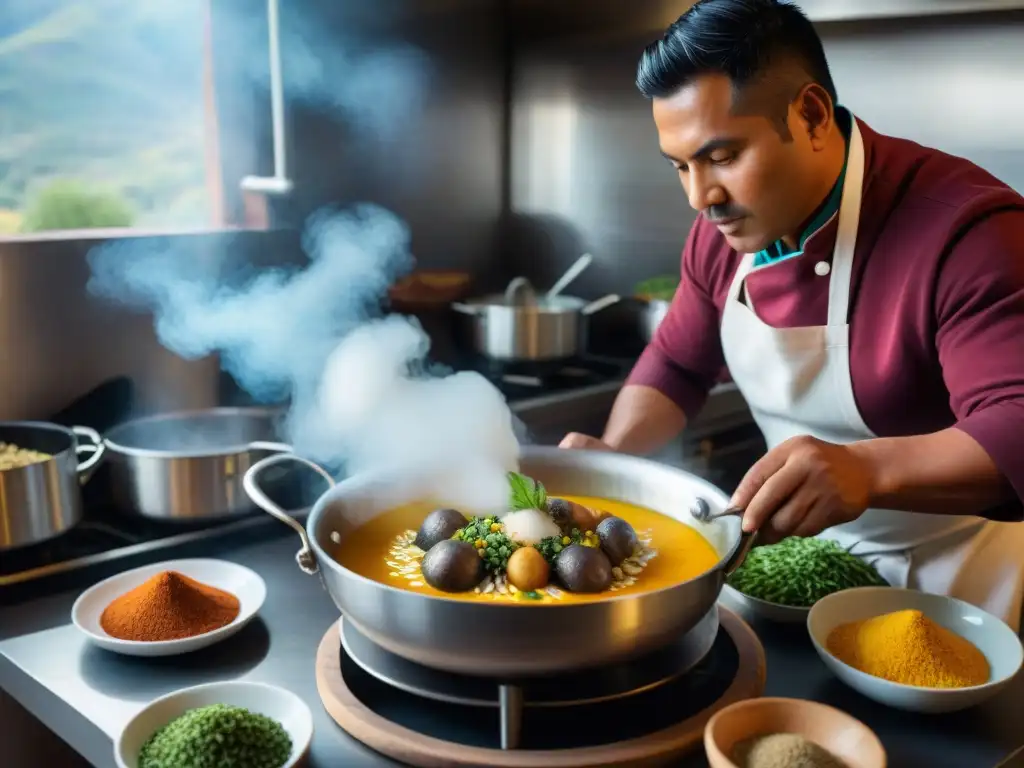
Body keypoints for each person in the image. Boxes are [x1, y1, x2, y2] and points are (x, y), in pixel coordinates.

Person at [560, 0, 1024, 629]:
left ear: (809, 115)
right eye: (680, 166)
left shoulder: (966, 231)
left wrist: (866, 469)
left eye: (721, 157)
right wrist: (613, 460)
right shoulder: (723, 236)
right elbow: (676, 362)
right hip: (802, 576)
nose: (702, 197)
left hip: (956, 589)